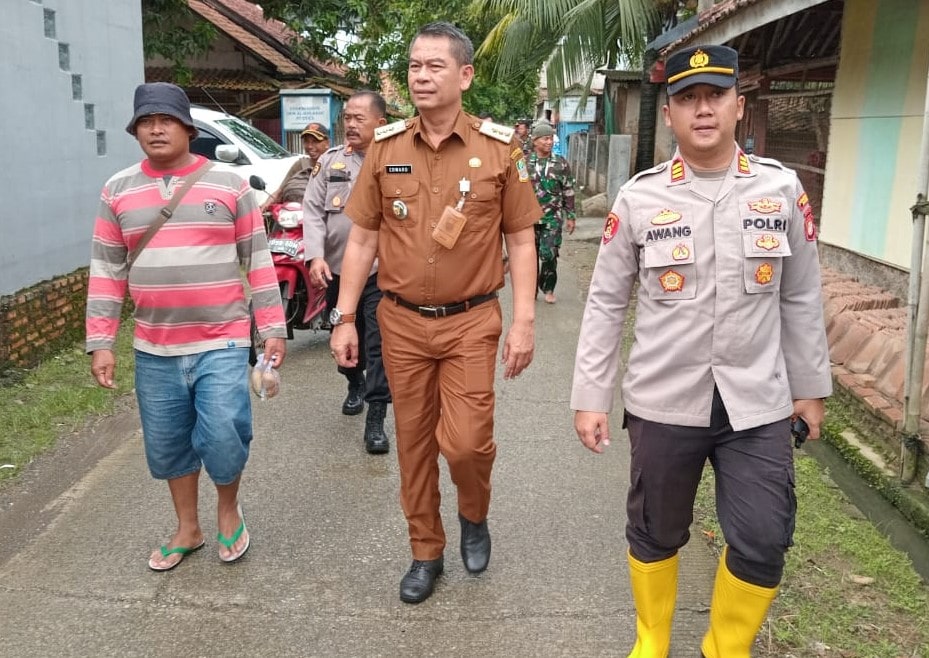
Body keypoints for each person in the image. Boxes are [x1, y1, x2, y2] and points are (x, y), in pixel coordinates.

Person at [571, 45, 832, 657]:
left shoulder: (781, 188)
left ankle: (726, 648)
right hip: (665, 400)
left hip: (757, 402)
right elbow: (607, 303)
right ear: (669, 115)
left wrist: (810, 388)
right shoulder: (639, 198)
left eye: (715, 95)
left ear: (739, 104)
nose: (703, 109)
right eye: (687, 98)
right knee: (656, 531)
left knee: (764, 536)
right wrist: (590, 396)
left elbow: (799, 295)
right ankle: (652, 641)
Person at [330, 21, 541, 604]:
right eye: (414, 67)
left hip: (472, 320)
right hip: (398, 320)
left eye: (435, 66)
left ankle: (474, 514)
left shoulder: (500, 149)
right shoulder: (386, 147)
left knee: (468, 443)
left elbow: (522, 240)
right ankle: (426, 551)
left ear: (465, 75)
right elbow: (363, 240)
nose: (421, 76)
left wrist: (523, 321)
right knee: (414, 441)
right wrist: (345, 317)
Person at [85, 82, 287, 571]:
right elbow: (107, 270)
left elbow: (257, 259)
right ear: (136, 130)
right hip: (154, 346)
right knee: (169, 443)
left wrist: (272, 325)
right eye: (146, 121)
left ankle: (226, 510)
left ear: (187, 128)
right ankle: (187, 528)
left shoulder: (230, 184)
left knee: (222, 434)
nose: (156, 128)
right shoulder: (117, 190)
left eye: (167, 119)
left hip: (222, 338)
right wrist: (101, 342)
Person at [303, 91, 391, 454]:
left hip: (381, 274)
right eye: (347, 119)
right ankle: (353, 382)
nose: (351, 125)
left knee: (378, 347)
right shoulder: (330, 162)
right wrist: (315, 257)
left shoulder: (396, 161)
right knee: (342, 340)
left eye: (359, 118)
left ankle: (376, 419)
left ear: (380, 124)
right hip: (338, 272)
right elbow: (311, 210)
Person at [526, 121, 576, 304]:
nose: (549, 142)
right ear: (535, 141)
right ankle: (530, 291)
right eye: (545, 138)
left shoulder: (560, 163)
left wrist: (570, 215)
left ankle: (548, 287)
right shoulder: (524, 163)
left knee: (549, 254)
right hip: (529, 218)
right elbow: (515, 190)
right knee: (529, 256)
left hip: (552, 218)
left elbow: (568, 190)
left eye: (551, 138)